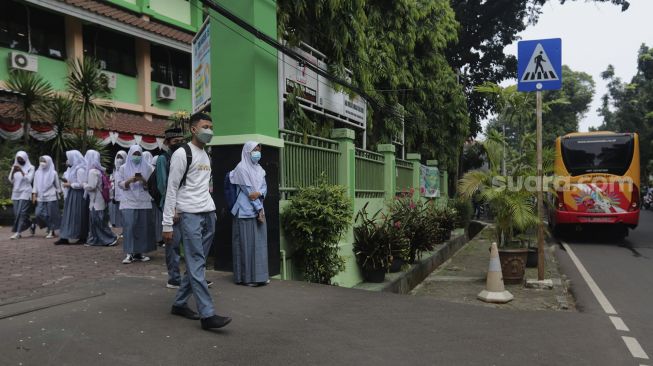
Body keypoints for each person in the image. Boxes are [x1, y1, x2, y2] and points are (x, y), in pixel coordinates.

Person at [162, 112, 231, 330]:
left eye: (211, 126)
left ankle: (180, 303)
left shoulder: (206, 154)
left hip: (208, 213)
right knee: (196, 262)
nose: (209, 130)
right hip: (189, 214)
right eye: (205, 126)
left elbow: (203, 186)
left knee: (196, 263)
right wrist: (166, 224)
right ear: (193, 129)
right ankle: (207, 315)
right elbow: (171, 188)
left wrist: (212, 210)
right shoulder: (183, 153)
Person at [229, 141, 269, 287]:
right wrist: (259, 209)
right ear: (247, 152)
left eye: (258, 150)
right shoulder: (241, 168)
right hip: (245, 212)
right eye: (254, 150)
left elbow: (263, 188)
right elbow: (248, 192)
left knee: (259, 246)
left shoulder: (260, 169)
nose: (257, 153)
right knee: (245, 246)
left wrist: (260, 193)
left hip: (258, 211)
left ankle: (260, 277)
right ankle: (246, 278)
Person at [156, 128, 186, 289]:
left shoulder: (183, 156)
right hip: (171, 207)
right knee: (173, 244)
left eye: (182, 140)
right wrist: (172, 208)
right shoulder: (163, 159)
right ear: (167, 143)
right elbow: (163, 185)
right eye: (176, 141)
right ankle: (174, 278)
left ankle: (191, 277)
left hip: (185, 205)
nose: (180, 144)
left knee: (189, 243)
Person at [119, 145, 156, 263]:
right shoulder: (123, 168)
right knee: (129, 227)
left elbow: (150, 185)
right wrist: (130, 180)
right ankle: (129, 253)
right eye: (134, 154)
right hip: (129, 201)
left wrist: (143, 180)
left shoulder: (148, 168)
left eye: (138, 154)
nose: (136, 157)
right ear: (130, 154)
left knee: (142, 227)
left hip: (143, 201)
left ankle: (139, 253)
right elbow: (120, 184)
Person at [83, 150, 118, 247]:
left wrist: (84, 184)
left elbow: (92, 186)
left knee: (98, 221)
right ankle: (95, 240)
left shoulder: (92, 172)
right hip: (99, 200)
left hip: (96, 201)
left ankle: (109, 238)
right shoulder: (99, 170)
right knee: (98, 221)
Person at [55, 150, 89, 245]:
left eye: (69, 158)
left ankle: (81, 236)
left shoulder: (80, 169)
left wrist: (70, 184)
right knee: (68, 215)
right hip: (72, 194)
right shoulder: (73, 169)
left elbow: (82, 185)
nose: (67, 160)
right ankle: (64, 236)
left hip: (78, 195)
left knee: (77, 215)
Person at [32, 155, 62, 238]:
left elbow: (57, 185)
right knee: (38, 213)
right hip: (40, 196)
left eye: (44, 161)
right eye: (41, 161)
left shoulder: (53, 173)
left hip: (51, 196)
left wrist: (59, 193)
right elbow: (35, 184)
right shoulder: (37, 172)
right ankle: (49, 227)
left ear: (48, 162)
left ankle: (51, 231)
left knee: (51, 214)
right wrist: (34, 194)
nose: (42, 163)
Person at [8, 151, 35, 239]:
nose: (20, 160)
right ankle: (31, 224)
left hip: (26, 192)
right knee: (17, 213)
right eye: (18, 159)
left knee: (21, 213)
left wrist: (22, 171)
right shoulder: (14, 167)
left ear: (25, 159)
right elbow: (11, 181)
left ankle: (18, 233)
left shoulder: (31, 167)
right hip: (16, 192)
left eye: (21, 159)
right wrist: (13, 172)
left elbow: (29, 180)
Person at [109, 151, 127, 229]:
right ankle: (119, 227)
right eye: (118, 157)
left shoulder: (126, 169)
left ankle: (124, 228)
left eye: (121, 157)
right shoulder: (115, 170)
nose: (119, 159)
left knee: (124, 212)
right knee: (117, 212)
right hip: (116, 195)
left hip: (124, 195)